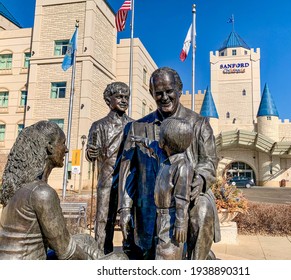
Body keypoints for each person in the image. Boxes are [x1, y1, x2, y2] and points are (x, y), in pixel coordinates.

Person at [118, 67, 221, 260]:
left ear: (179, 89)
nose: (164, 97)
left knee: (203, 207)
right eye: (158, 93)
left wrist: (199, 180)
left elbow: (209, 162)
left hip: (187, 198)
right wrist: (124, 208)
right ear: (151, 94)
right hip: (150, 202)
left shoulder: (199, 123)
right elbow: (127, 171)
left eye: (169, 91)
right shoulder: (137, 128)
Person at [0, 121, 127, 260]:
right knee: (119, 259)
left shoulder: (22, 187)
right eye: (63, 143)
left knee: (85, 239)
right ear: (50, 147)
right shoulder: (41, 193)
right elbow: (67, 253)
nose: (66, 149)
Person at [132, 117, 194, 260]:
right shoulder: (164, 157)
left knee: (167, 253)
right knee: (160, 248)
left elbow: (182, 199)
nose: (158, 138)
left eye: (161, 135)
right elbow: (152, 145)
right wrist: (141, 140)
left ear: (167, 141)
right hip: (160, 215)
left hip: (172, 218)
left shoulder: (182, 166)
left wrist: (180, 223)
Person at [85, 81, 132, 254]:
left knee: (131, 217)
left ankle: (131, 251)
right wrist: (91, 152)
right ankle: (102, 253)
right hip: (107, 179)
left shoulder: (133, 125)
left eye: (126, 97)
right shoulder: (98, 126)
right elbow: (90, 155)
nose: (124, 100)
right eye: (119, 96)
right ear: (108, 100)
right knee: (104, 218)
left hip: (128, 180)